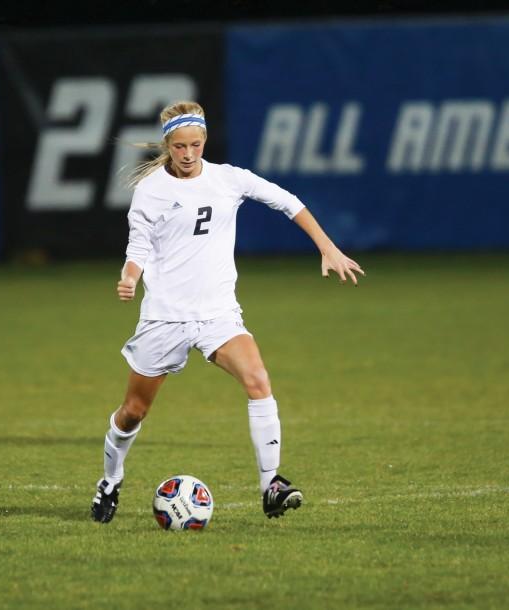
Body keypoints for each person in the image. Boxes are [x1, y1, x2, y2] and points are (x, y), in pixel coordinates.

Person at [90, 101, 364, 524]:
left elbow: (287, 201)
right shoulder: (151, 191)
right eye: (179, 146)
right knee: (133, 412)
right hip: (165, 317)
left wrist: (326, 246)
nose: (188, 154)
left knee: (258, 379)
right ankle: (110, 481)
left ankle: (271, 485)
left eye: (195, 144)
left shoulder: (228, 179)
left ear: (204, 141)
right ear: (168, 144)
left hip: (218, 313)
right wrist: (129, 276)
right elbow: (138, 247)